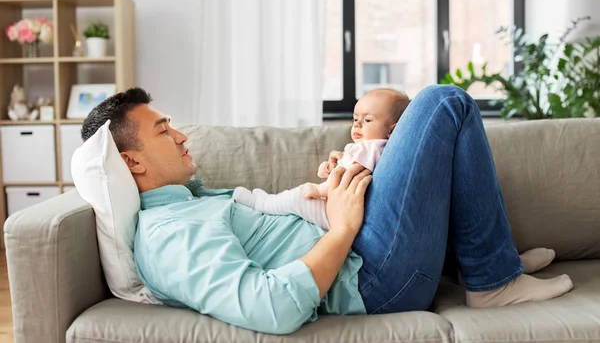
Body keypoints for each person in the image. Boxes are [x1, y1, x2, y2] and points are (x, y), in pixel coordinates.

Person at [81, 85, 573, 335]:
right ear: (132, 161)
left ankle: (487, 265)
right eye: (164, 130)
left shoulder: (193, 200)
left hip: (365, 249)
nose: (182, 135)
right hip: (373, 277)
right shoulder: (167, 234)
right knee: (445, 102)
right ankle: (493, 282)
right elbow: (267, 307)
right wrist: (342, 227)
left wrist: (331, 189)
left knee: (421, 130)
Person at [232, 88, 410, 230]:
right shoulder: (379, 151)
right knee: (294, 205)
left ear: (392, 130)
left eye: (368, 120)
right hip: (341, 208)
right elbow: (348, 174)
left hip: (335, 211)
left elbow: (344, 182)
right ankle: (267, 201)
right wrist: (333, 167)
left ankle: (261, 204)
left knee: (296, 198)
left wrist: (319, 190)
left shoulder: (369, 147)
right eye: (355, 118)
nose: (357, 124)